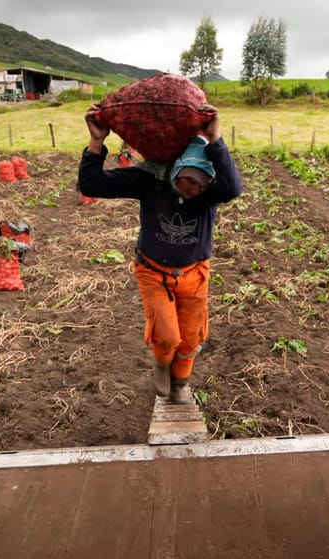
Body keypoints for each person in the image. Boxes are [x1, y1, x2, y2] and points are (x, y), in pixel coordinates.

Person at [78, 104, 243, 404]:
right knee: (167, 335)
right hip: (154, 272)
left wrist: (215, 137)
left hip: (195, 273)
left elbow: (233, 187)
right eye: (188, 180)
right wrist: (97, 141)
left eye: (201, 182)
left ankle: (181, 381)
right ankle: (161, 363)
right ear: (176, 170)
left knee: (192, 337)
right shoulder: (150, 181)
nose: (194, 188)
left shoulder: (210, 194)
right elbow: (91, 184)